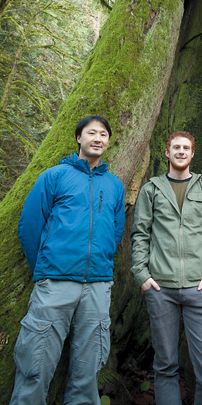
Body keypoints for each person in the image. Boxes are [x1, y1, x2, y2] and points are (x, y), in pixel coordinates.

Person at [10, 115, 125, 405]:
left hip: (98, 287)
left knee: (88, 369)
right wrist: (46, 266)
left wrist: (101, 259)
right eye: (91, 133)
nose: (98, 138)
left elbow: (116, 228)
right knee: (35, 363)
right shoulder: (55, 176)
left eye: (103, 134)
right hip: (55, 283)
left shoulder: (114, 185)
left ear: (108, 142)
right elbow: (30, 226)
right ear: (79, 138)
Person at [131, 131, 202, 405]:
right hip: (161, 289)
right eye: (176, 147)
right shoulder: (152, 189)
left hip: (201, 288)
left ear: (193, 154)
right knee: (165, 365)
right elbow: (140, 234)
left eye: (186, 148)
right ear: (167, 152)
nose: (181, 151)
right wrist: (142, 275)